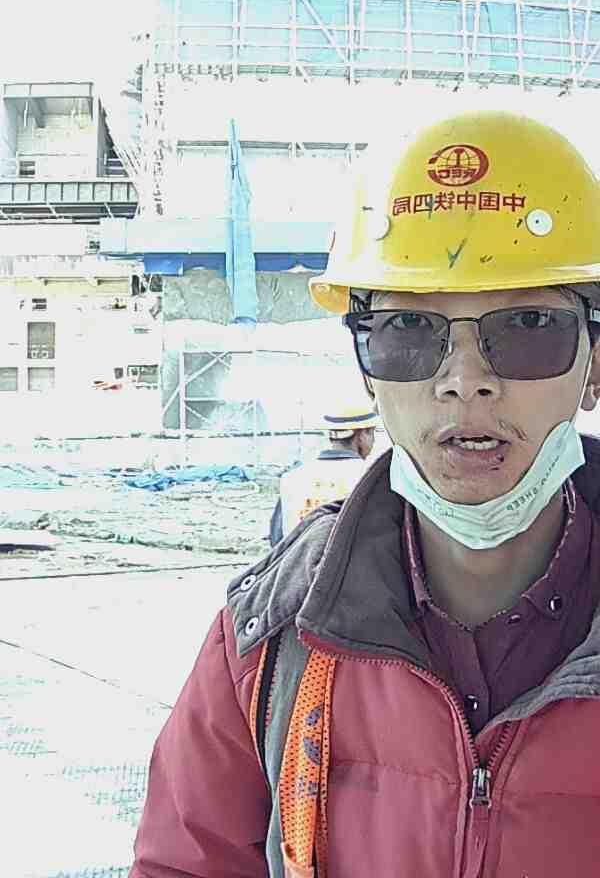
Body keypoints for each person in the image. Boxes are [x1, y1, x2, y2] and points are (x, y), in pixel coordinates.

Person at [128, 111, 600, 878]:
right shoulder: (268, 638)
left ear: (595, 364)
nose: (464, 380)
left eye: (528, 326)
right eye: (409, 329)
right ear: (367, 370)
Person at [268, 405, 378, 545]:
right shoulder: (371, 477)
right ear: (362, 436)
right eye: (372, 433)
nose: (373, 441)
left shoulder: (292, 478)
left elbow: (277, 540)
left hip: (300, 558)